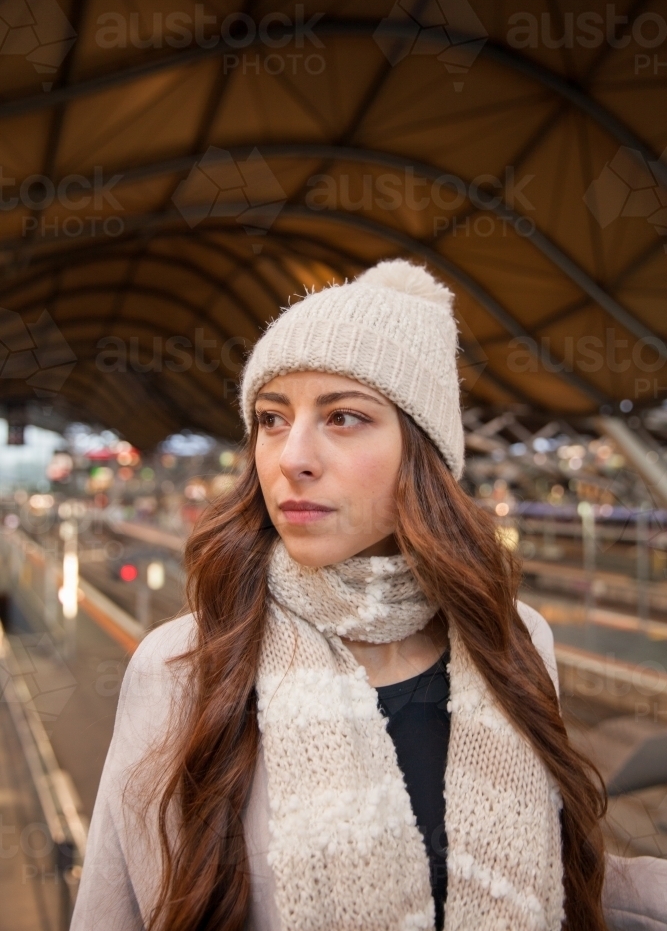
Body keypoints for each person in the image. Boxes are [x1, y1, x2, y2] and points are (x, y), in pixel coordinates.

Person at [72, 258, 613, 931]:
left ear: (424, 453)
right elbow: (112, 907)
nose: (291, 456)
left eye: (344, 417)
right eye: (272, 418)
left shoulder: (514, 639)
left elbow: (559, 875)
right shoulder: (185, 665)